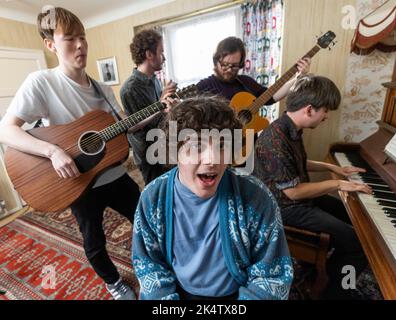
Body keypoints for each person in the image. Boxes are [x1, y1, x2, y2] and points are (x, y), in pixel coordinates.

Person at [0, 7, 143, 300]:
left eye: (83, 37)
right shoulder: (41, 82)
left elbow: (120, 126)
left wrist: (156, 111)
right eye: (69, 39)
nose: (80, 45)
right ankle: (114, 283)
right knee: (94, 241)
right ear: (50, 44)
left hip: (114, 173)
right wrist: (51, 151)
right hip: (79, 183)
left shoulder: (103, 88)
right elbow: (6, 130)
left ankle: (151, 263)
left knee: (146, 220)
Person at [132, 95, 293, 300]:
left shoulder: (255, 197)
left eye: (222, 145)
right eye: (197, 146)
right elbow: (150, 267)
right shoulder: (153, 199)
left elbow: (272, 276)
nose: (213, 159)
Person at [253, 75, 372, 299]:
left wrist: (333, 168)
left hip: (295, 199)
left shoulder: (290, 128)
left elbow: (296, 163)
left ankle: (323, 269)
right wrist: (337, 184)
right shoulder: (275, 138)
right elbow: (293, 191)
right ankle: (337, 292)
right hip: (284, 207)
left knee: (351, 218)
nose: (326, 116)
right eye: (325, 110)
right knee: (357, 243)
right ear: (309, 109)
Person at [120, 29, 177, 185]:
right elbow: (134, 127)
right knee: (157, 192)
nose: (164, 57)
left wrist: (167, 100)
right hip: (149, 154)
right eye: (161, 52)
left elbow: (160, 111)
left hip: (164, 145)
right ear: (149, 54)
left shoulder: (154, 79)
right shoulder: (130, 88)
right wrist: (160, 104)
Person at [196, 36, 311, 106]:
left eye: (235, 65)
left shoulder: (246, 82)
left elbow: (271, 97)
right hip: (220, 143)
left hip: (249, 139)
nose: (229, 70)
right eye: (225, 65)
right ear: (216, 61)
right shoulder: (203, 87)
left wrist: (298, 78)